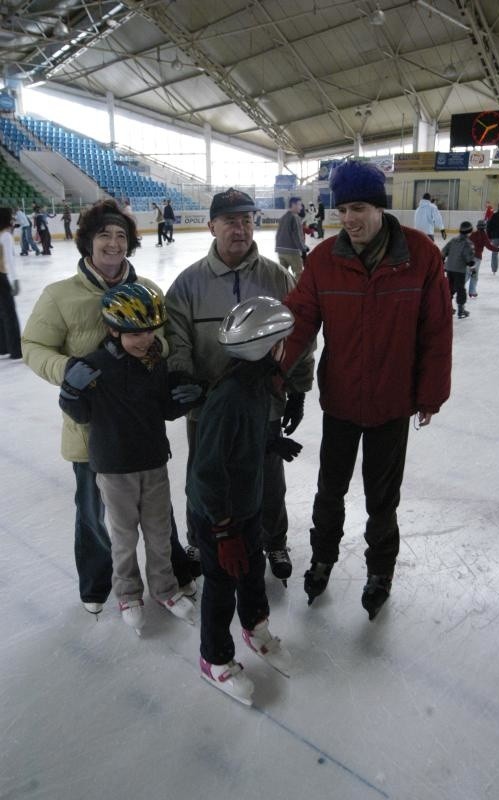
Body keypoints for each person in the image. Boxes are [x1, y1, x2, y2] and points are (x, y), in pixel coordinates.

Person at [282, 160, 453, 619]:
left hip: (392, 403)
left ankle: (380, 570)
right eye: (341, 210)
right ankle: (322, 559)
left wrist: (430, 393)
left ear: (378, 206)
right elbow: (297, 323)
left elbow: (436, 330)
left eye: (357, 207)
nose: (349, 219)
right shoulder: (322, 260)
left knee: (382, 498)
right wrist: (272, 374)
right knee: (329, 490)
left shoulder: (420, 255)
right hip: (340, 400)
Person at [21, 199, 194, 615]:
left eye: (121, 236)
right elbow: (33, 346)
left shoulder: (149, 290)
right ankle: (99, 583)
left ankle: (170, 573)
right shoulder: (60, 295)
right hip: (91, 432)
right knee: (94, 513)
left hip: (142, 426)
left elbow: (167, 337)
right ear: (87, 242)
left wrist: (154, 351)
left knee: (156, 510)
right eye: (104, 235)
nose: (114, 244)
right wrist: (68, 369)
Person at [165, 187, 314, 586]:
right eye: (231, 221)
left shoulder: (275, 276)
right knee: (203, 473)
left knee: (267, 476)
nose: (240, 229)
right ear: (211, 225)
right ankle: (200, 538)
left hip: (262, 403)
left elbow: (298, 336)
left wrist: (297, 388)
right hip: (205, 406)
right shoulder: (188, 283)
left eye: (247, 220)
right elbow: (175, 336)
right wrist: (182, 376)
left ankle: (273, 539)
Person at [58, 284, 197, 634]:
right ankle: (129, 594)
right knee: (122, 538)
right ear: (112, 329)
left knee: (159, 532)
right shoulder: (93, 366)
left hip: (152, 462)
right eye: (134, 333)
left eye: (149, 331)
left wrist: (188, 396)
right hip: (113, 468)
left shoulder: (155, 362)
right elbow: (81, 414)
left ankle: (165, 588)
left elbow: (165, 409)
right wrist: (70, 392)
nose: (144, 339)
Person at [188, 296, 295, 704]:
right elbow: (207, 471)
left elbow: (242, 441)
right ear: (269, 348)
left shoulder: (255, 384)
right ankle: (214, 659)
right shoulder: (229, 398)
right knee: (219, 586)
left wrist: (271, 441)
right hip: (218, 516)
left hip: (244, 508)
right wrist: (223, 530)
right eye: (283, 341)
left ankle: (255, 626)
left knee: (252, 574)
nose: (286, 348)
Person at [0, 207, 22, 360]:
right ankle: (15, 350)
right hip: (2, 277)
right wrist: (15, 280)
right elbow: (10, 260)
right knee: (9, 314)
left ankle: (3, 347)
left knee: (1, 314)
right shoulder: (6, 236)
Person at [441, 221, 476, 319]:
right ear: (470, 231)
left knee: (450, 288)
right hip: (459, 270)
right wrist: (473, 269)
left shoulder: (453, 240)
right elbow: (469, 259)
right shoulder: (468, 243)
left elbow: (443, 252)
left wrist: (442, 262)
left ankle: (448, 308)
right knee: (460, 289)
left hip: (449, 268)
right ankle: (461, 310)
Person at [467, 219, 499, 298]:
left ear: (477, 227)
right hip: (476, 258)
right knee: (474, 275)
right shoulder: (484, 235)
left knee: (467, 274)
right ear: (484, 227)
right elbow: (489, 247)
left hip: (468, 257)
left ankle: (457, 288)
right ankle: (471, 291)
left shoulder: (473, 234)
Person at [275, 196, 306, 279]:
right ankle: (297, 291)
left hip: (280, 251)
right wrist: (303, 249)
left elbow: (278, 234)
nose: (301, 207)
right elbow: (298, 236)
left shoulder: (283, 218)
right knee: (299, 274)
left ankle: (283, 290)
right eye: (299, 205)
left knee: (282, 274)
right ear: (293, 204)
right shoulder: (295, 217)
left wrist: (278, 247)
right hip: (292, 251)